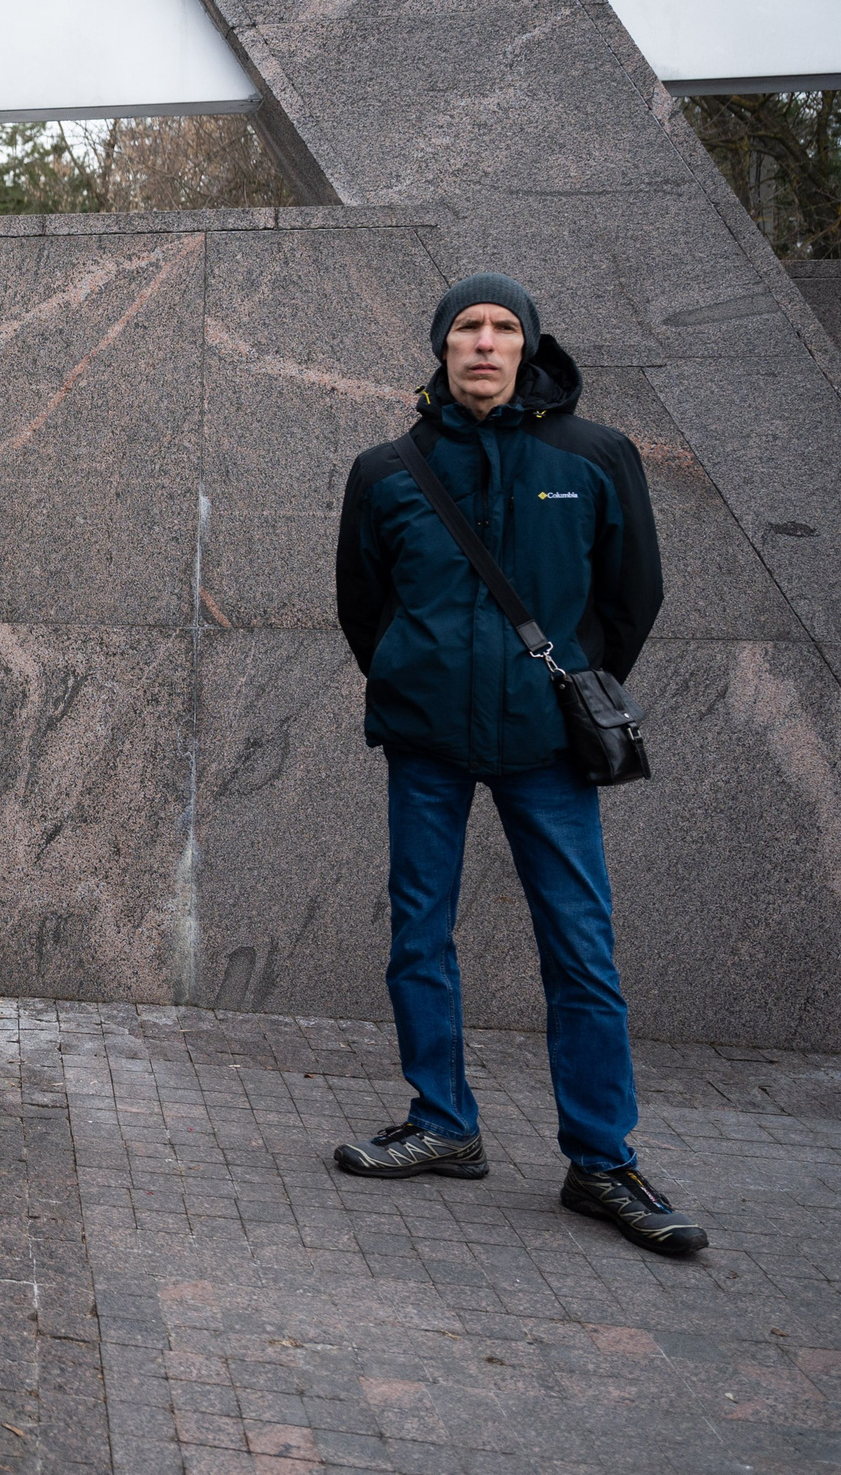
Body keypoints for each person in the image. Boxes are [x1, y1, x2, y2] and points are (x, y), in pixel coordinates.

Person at [330, 273, 701, 1257]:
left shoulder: (592, 456)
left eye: (501, 329)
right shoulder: (386, 470)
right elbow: (363, 607)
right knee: (418, 935)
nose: (483, 344)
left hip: (545, 747)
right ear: (442, 347)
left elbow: (633, 598)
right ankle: (442, 1122)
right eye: (466, 329)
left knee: (579, 949)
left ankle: (599, 1157)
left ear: (527, 344)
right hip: (427, 744)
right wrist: (420, 680)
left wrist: (568, 685)